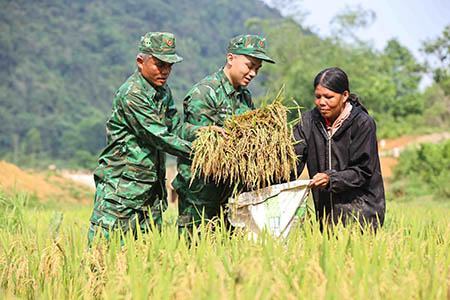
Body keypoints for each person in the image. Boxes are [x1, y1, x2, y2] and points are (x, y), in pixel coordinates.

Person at [88, 32, 192, 243]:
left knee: (145, 262)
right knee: (103, 258)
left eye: (169, 66)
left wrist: (207, 135)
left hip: (150, 194)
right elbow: (159, 136)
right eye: (159, 64)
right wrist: (201, 152)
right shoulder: (132, 94)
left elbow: (175, 127)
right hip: (121, 193)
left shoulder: (163, 92)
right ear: (140, 62)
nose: (165, 71)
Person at [172, 34, 276, 231]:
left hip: (231, 193)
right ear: (230, 58)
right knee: (196, 251)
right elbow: (203, 148)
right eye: (249, 65)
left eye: (257, 69)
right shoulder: (204, 93)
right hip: (201, 194)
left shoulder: (245, 96)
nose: (253, 73)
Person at [293, 67, 385, 231]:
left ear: (345, 96)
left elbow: (362, 171)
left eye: (329, 97)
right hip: (326, 215)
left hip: (362, 215)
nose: (322, 102)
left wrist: (330, 179)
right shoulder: (307, 122)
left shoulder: (363, 123)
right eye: (318, 96)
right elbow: (292, 160)